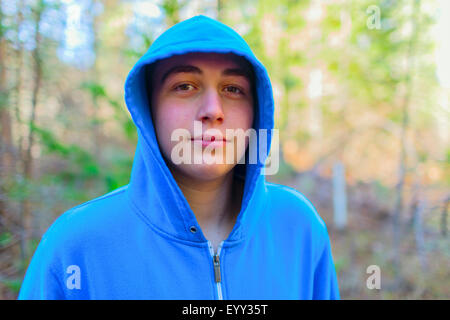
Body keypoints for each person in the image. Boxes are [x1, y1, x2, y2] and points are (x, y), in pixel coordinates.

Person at [18, 15, 340, 300]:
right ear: (150, 109)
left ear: (256, 112)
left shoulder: (299, 229)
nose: (213, 110)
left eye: (233, 89)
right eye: (185, 85)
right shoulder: (75, 247)